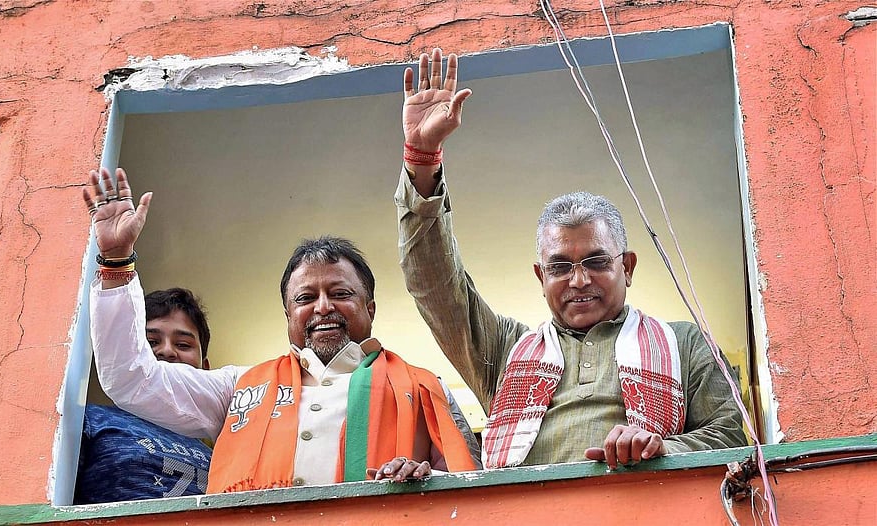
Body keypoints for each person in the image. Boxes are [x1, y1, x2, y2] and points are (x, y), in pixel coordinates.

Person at [394, 48, 747, 470]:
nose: (578, 281)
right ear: (540, 277)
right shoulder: (505, 351)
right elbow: (437, 289)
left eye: (596, 262)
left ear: (628, 267)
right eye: (560, 267)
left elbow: (729, 436)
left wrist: (659, 448)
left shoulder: (684, 343)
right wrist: (422, 159)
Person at [81, 167, 478, 491]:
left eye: (340, 292)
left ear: (369, 308)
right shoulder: (238, 387)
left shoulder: (425, 386)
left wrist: (424, 482)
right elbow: (130, 378)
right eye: (306, 299)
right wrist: (116, 262)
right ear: (289, 315)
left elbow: (477, 488)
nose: (323, 307)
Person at [76, 288, 214, 503]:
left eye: (183, 345)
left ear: (205, 369)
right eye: (151, 341)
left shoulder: (222, 452)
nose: (167, 351)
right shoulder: (90, 420)